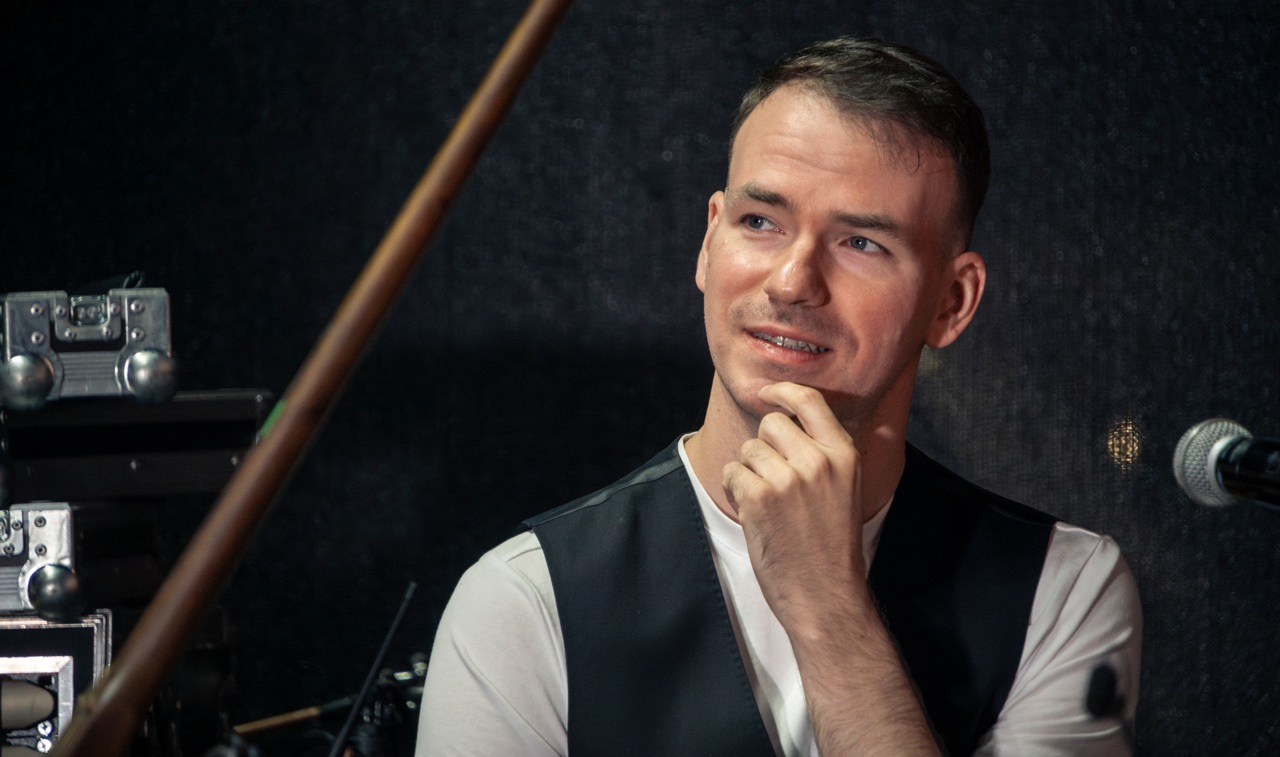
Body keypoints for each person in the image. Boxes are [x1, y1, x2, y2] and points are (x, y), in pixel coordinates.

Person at [415, 37, 1142, 756]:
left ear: (952, 301)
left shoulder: (1061, 589)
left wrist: (829, 608)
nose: (792, 282)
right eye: (760, 222)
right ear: (709, 243)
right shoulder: (527, 599)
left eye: (861, 243)